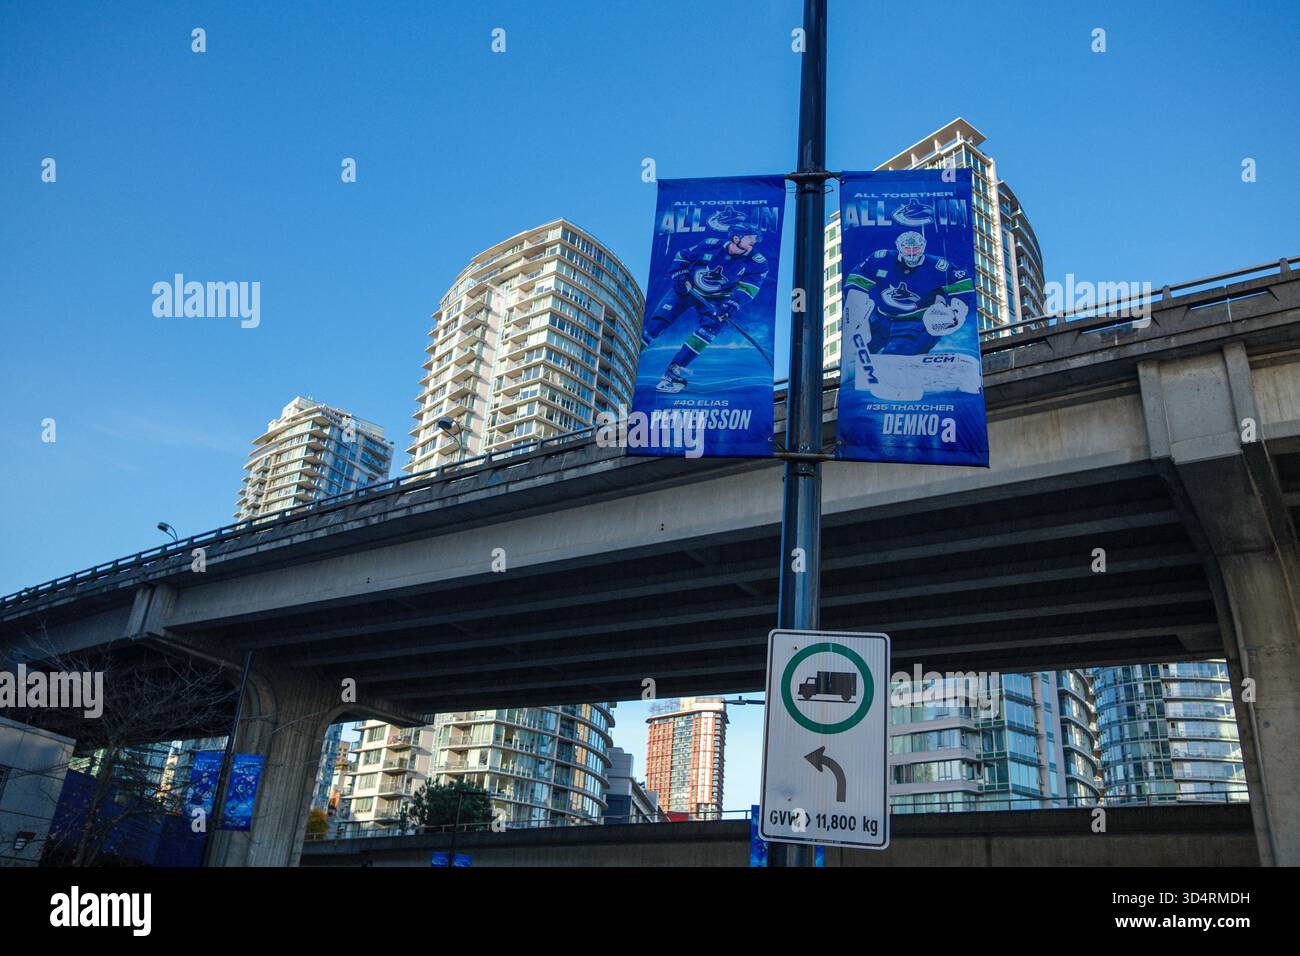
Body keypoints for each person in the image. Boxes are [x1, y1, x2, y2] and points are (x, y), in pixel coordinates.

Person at [641, 211, 770, 394]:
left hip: (717, 299)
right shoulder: (710, 245)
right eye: (751, 238)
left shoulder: (758, 263)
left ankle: (674, 370)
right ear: (736, 238)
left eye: (755, 238)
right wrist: (680, 275)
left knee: (711, 327)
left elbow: (747, 289)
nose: (754, 242)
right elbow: (682, 257)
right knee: (656, 324)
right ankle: (632, 356)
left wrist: (729, 307)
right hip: (687, 289)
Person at [842, 230, 979, 401]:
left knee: (891, 362)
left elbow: (962, 283)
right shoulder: (880, 259)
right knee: (852, 355)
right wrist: (855, 304)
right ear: (899, 248)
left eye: (916, 249)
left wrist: (957, 312)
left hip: (917, 324)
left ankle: (897, 386)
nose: (912, 254)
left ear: (923, 247)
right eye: (908, 250)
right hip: (881, 318)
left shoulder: (938, 266)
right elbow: (858, 276)